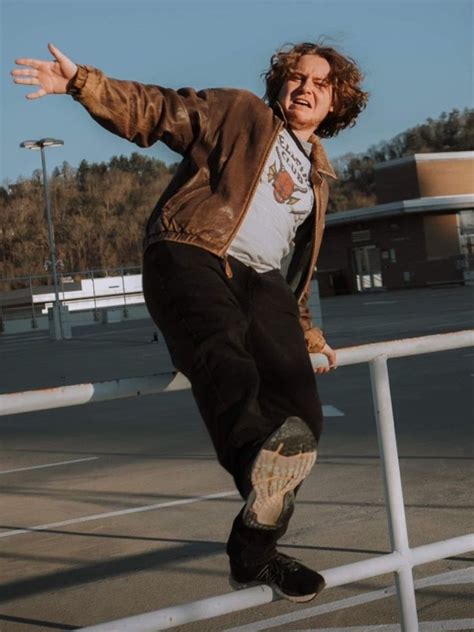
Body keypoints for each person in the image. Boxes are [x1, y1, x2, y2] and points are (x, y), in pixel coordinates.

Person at [12, 41, 367, 602]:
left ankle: (253, 555)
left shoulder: (319, 175)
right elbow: (157, 110)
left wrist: (302, 328)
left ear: (335, 104)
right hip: (193, 252)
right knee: (223, 358)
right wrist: (83, 83)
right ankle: (256, 461)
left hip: (263, 280)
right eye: (297, 77)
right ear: (279, 85)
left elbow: (293, 260)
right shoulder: (241, 112)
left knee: (302, 419)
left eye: (321, 85)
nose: (306, 88)